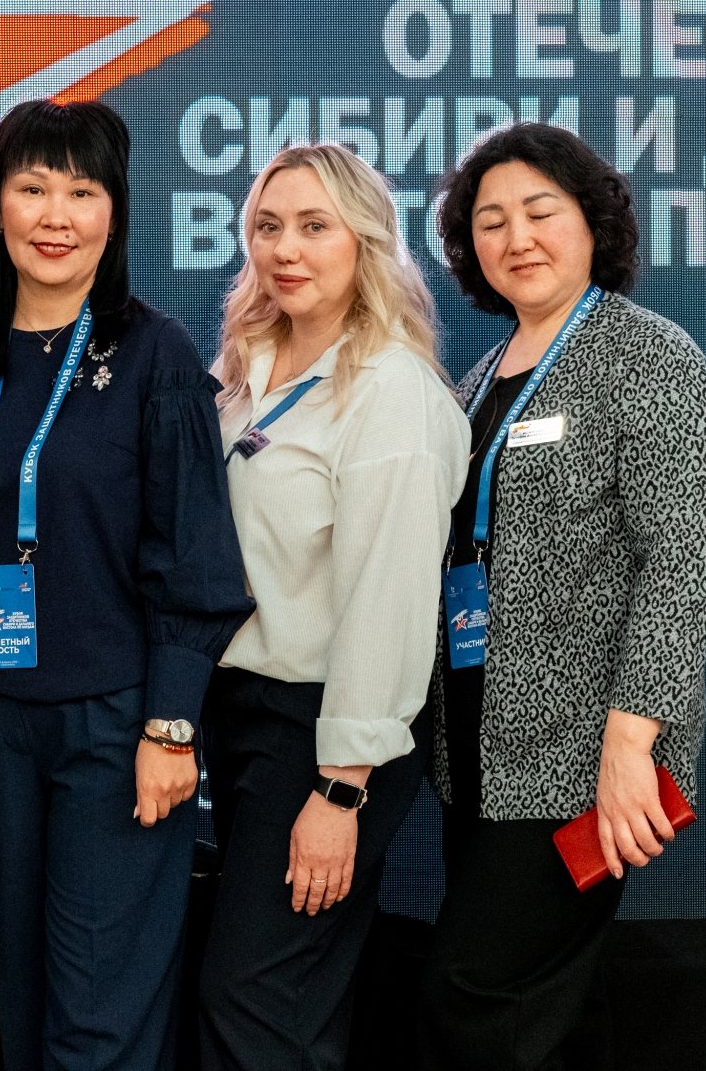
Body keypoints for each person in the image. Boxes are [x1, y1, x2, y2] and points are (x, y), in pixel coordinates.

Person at [0, 98, 252, 1071]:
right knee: (30, 992)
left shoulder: (154, 355)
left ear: (113, 212)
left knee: (98, 1016)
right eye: (33, 187)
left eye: (82, 192)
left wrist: (170, 726)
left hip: (116, 728)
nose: (56, 215)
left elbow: (195, 559)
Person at [415, 122, 706, 1071]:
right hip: (476, 752)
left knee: (478, 997)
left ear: (593, 222)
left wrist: (631, 747)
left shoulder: (650, 359)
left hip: (577, 759)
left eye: (540, 212)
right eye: (491, 222)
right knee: (544, 1015)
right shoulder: (479, 379)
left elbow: (681, 563)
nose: (517, 238)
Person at [195, 142, 469, 1071]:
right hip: (243, 717)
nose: (286, 249)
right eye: (268, 226)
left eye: (315, 226)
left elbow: (389, 602)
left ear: (366, 240)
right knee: (283, 999)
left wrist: (341, 788)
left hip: (325, 734)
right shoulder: (248, 371)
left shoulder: (392, 392)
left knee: (254, 996)